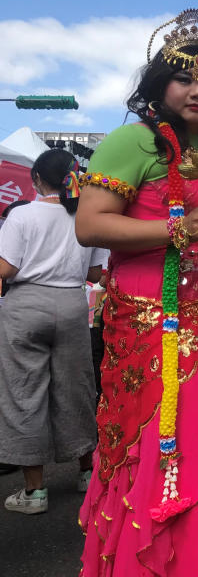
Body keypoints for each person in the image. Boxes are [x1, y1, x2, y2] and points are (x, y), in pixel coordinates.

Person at [75, 0, 198, 575]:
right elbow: (90, 225)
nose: (197, 91)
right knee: (155, 454)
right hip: (153, 327)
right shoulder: (133, 143)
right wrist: (177, 227)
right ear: (159, 83)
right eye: (183, 78)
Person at [0, 149, 108, 514]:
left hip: (26, 305)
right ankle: (86, 473)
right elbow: (96, 275)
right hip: (72, 304)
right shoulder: (83, 216)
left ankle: (34, 491)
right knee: (76, 388)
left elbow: (6, 268)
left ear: (36, 179)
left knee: (24, 392)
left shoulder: (22, 215)